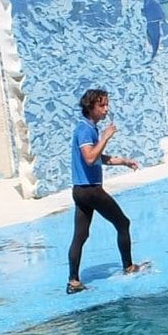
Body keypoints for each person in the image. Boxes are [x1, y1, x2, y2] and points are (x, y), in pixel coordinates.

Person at [66, 87, 144, 294]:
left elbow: (98, 157)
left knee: (80, 236)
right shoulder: (85, 129)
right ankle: (129, 266)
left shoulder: (89, 128)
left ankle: (73, 282)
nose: (106, 109)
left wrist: (124, 161)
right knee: (123, 223)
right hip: (91, 191)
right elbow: (90, 158)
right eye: (102, 105)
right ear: (90, 107)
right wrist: (106, 136)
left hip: (80, 191)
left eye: (107, 104)